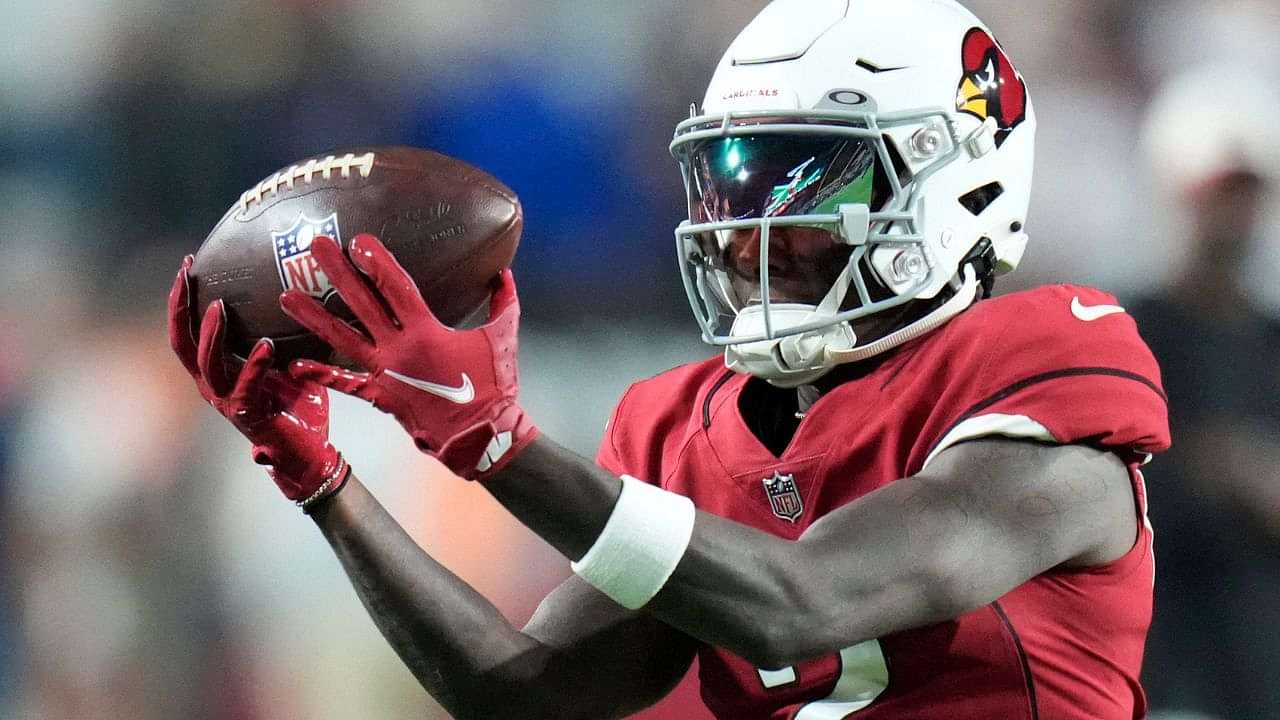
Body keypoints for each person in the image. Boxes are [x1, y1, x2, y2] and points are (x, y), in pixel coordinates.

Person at [168, 0, 1170, 717]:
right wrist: (324, 484)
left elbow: (799, 603)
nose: (745, 228)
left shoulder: (1041, 377)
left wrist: (500, 450)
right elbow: (529, 692)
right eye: (728, 179)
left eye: (800, 179)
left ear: (962, 184)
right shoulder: (682, 422)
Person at [1130, 67, 1280, 720]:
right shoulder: (1128, 335)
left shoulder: (1271, 341)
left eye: (1248, 194)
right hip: (1165, 673)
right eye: (1220, 192)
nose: (1236, 215)